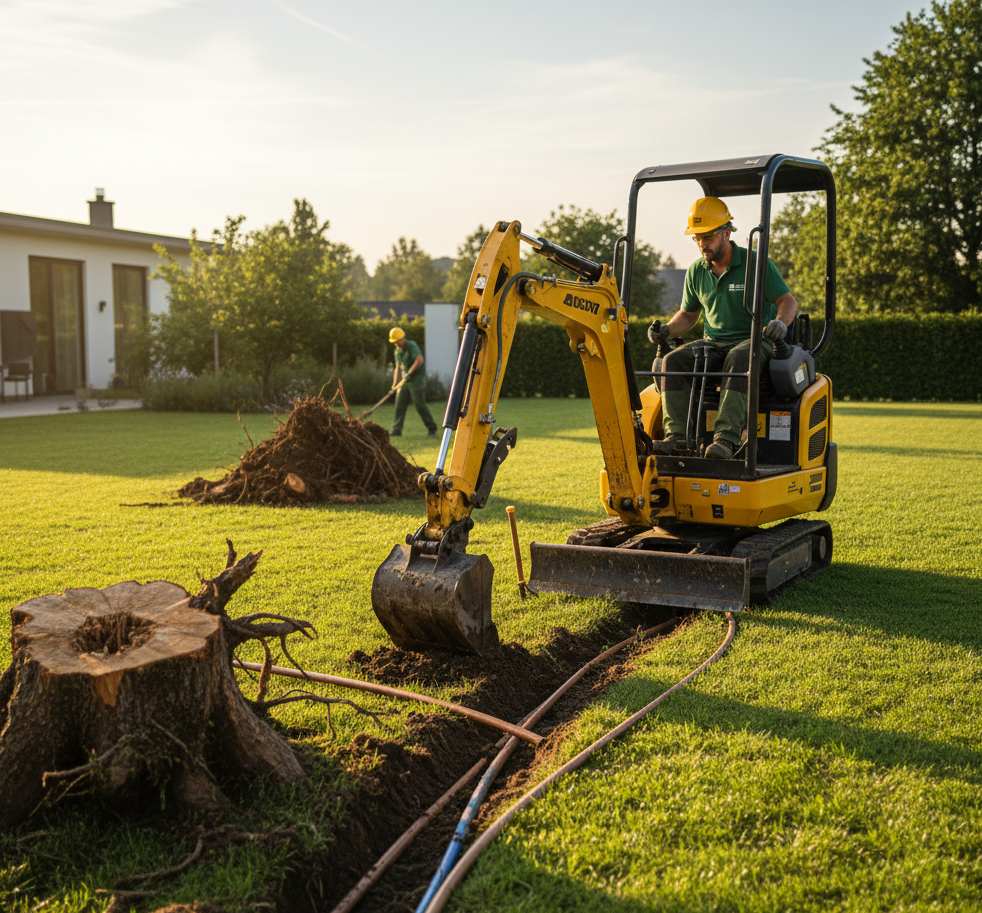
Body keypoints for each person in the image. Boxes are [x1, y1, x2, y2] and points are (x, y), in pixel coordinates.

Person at [649, 196, 798, 459]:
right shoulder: (696, 270)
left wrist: (779, 324)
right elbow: (688, 314)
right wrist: (667, 330)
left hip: (757, 339)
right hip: (714, 344)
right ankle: (677, 438)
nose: (701, 244)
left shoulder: (755, 262)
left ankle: (725, 441)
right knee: (672, 360)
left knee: (739, 356)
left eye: (707, 237)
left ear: (726, 233)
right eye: (696, 238)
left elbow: (787, 301)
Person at [388, 326, 437, 437]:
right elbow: (397, 367)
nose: (395, 344)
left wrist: (409, 372)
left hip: (416, 380)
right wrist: (394, 384)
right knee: (399, 405)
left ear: (401, 339)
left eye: (396, 342)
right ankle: (396, 431)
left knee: (419, 404)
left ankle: (432, 428)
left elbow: (419, 359)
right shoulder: (397, 351)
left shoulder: (411, 346)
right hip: (405, 382)